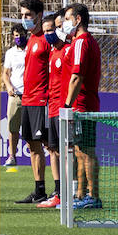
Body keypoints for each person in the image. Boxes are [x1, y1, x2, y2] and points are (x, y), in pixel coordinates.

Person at [62, 3, 102, 210]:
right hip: (84, 104)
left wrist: (68, 104)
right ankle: (81, 194)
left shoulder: (82, 42)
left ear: (78, 20)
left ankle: (93, 196)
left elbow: (77, 76)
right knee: (80, 151)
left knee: (86, 151)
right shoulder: (87, 42)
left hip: (81, 105)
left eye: (68, 19)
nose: (65, 24)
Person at [14, 0, 51, 205]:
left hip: (41, 99)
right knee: (31, 144)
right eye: (22, 15)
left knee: (50, 145)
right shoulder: (31, 40)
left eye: (28, 15)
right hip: (28, 99)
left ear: (39, 15)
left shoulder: (46, 39)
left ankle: (61, 189)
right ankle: (39, 190)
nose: (24, 19)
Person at [38, 11, 69, 209]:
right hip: (52, 107)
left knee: (67, 152)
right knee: (53, 150)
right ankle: (58, 192)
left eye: (51, 30)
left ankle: (71, 192)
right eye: (45, 31)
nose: (48, 34)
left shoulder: (67, 50)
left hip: (64, 109)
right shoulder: (52, 52)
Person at [2, 22, 28, 171]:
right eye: (16, 36)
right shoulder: (11, 53)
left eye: (21, 35)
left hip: (31, 95)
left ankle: (33, 155)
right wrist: (9, 86)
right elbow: (5, 73)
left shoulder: (31, 49)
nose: (19, 38)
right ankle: (12, 156)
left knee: (31, 130)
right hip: (15, 95)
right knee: (13, 127)